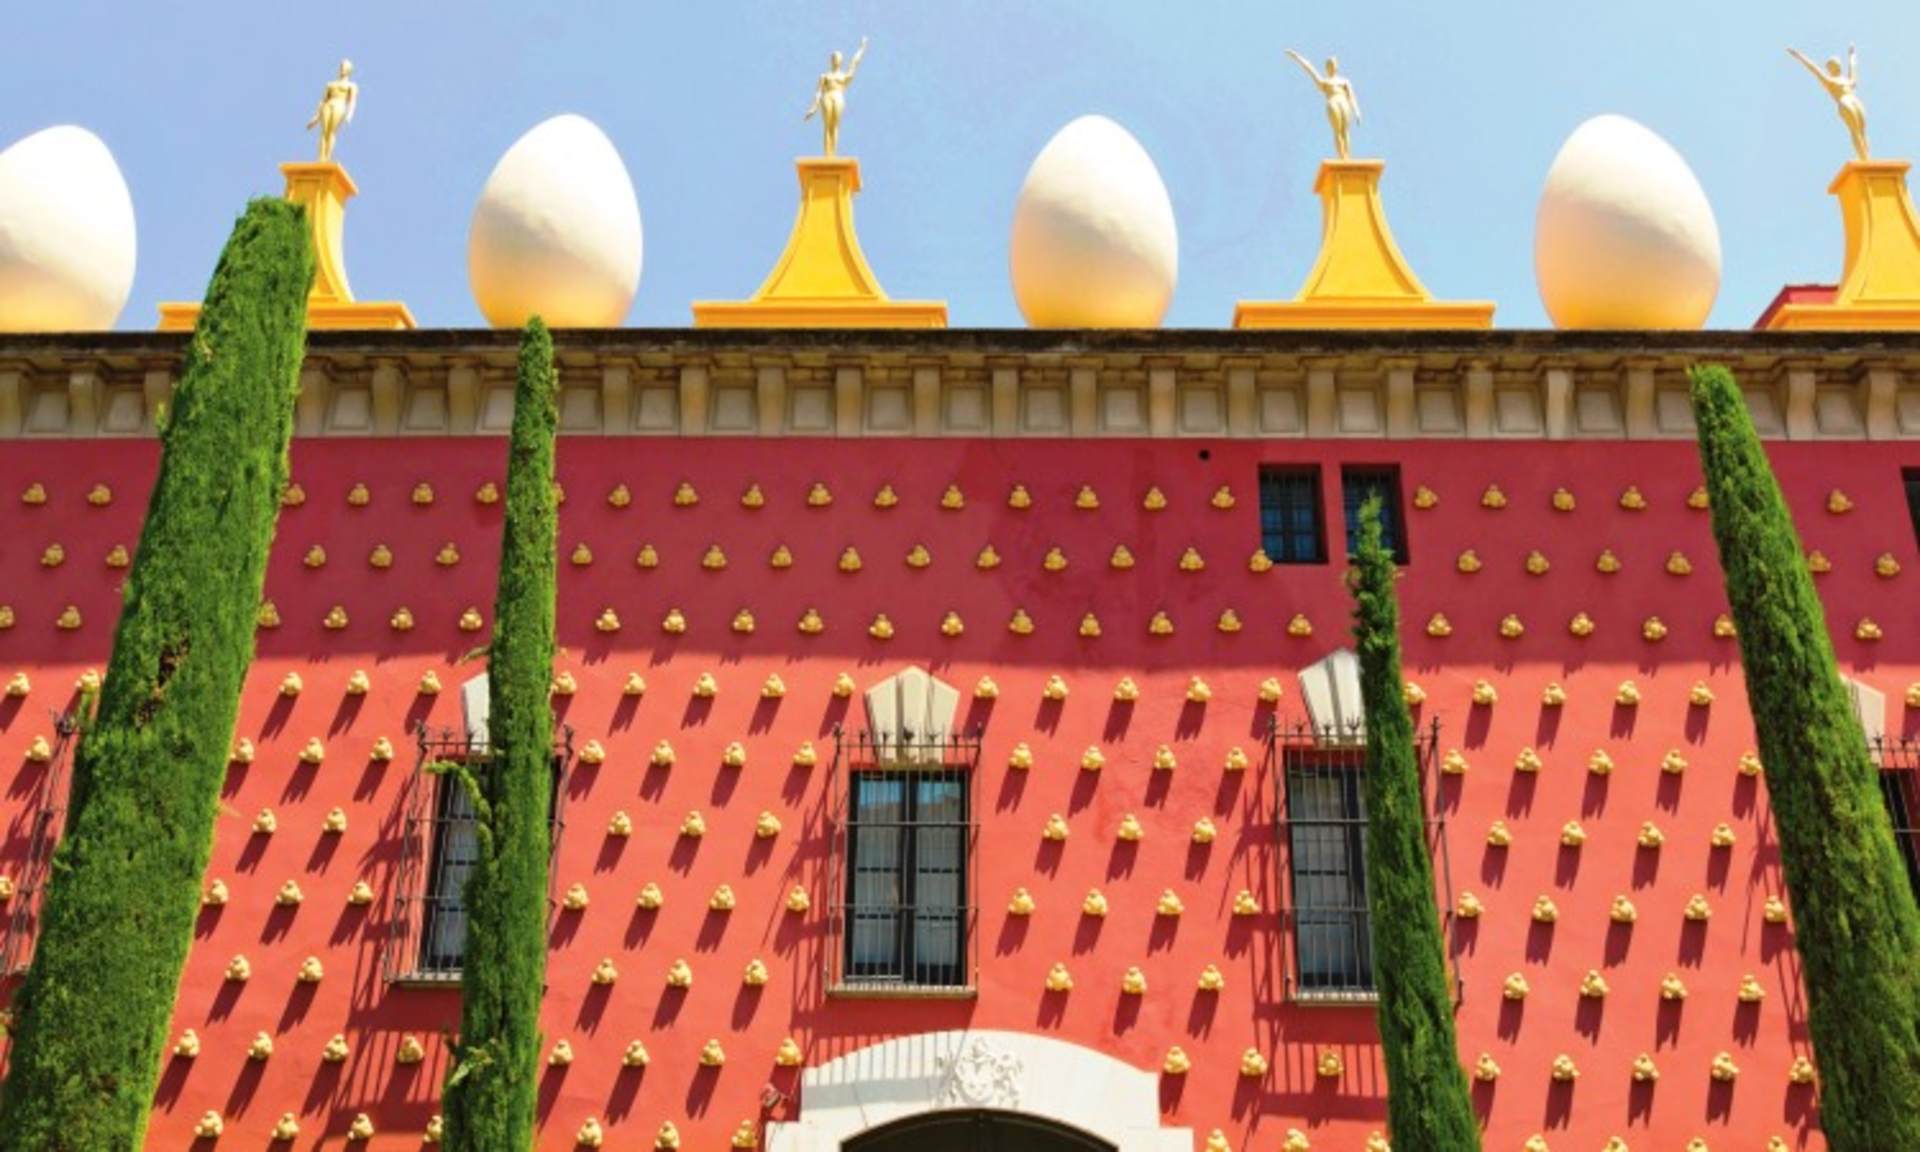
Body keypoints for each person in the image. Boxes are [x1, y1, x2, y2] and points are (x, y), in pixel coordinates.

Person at [1788, 45, 1869, 162]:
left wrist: (1851, 55)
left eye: (1836, 63)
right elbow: (1813, 68)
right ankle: (1863, 159)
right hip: (1844, 100)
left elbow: (1853, 68)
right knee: (1855, 130)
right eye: (1831, 64)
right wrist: (1799, 56)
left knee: (1863, 131)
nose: (1835, 65)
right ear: (1829, 69)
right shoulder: (1829, 81)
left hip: (1855, 100)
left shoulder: (1848, 80)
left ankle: (1867, 159)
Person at [1286, 50, 1359, 160]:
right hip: (1333, 102)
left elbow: (1352, 96)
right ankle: (1342, 156)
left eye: (1333, 63)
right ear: (1327, 68)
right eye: (1329, 64)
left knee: (1345, 131)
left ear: (1336, 66)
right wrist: (1296, 57)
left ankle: (1347, 157)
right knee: (1338, 130)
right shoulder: (1324, 82)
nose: (1332, 66)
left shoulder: (1344, 81)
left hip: (1344, 102)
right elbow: (1310, 69)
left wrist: (1356, 111)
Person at [804, 38, 868, 157]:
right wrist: (813, 108)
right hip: (827, 96)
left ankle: (833, 153)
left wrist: (862, 47)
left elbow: (855, 62)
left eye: (838, 58)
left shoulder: (844, 76)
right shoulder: (824, 76)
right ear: (831, 60)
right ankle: (827, 154)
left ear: (841, 61)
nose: (836, 60)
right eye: (834, 58)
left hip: (838, 96)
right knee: (827, 125)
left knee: (835, 125)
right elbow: (818, 92)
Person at [307, 59, 358, 163]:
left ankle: (327, 157)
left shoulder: (351, 86)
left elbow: (352, 101)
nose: (342, 68)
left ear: (349, 70)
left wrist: (349, 114)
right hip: (327, 106)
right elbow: (323, 101)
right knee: (324, 132)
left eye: (344, 67)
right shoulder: (330, 84)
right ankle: (321, 158)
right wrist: (316, 117)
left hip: (340, 105)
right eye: (341, 66)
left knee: (331, 132)